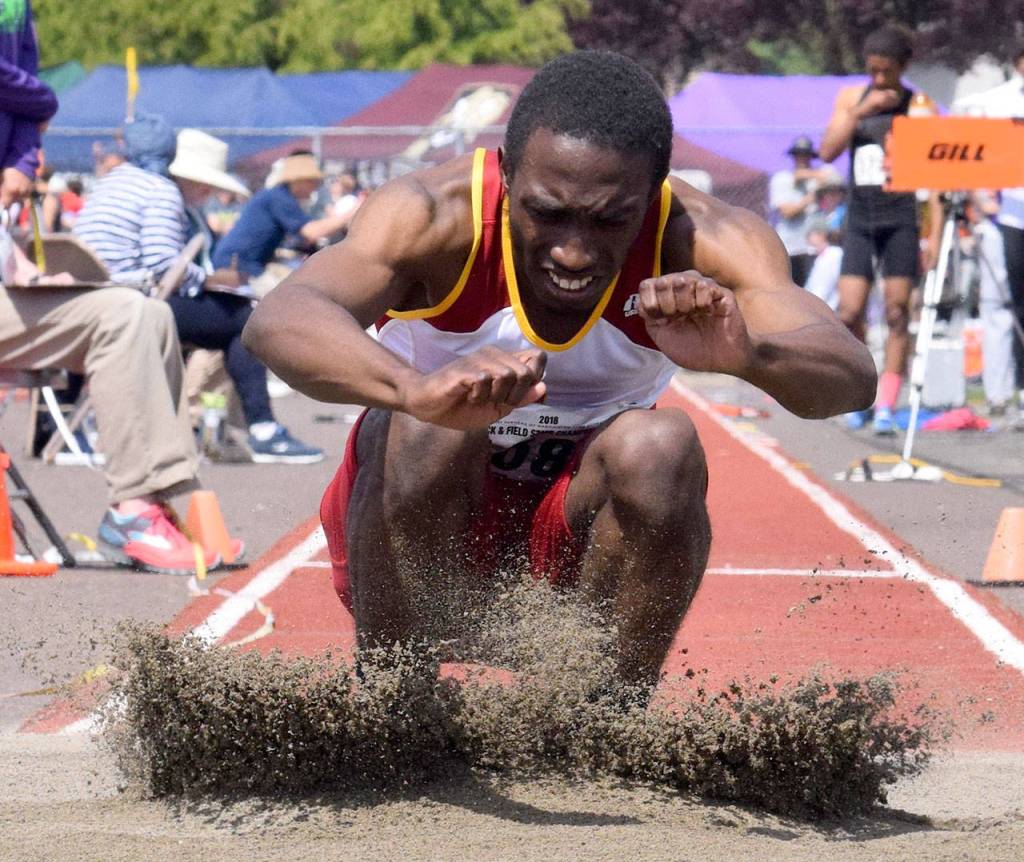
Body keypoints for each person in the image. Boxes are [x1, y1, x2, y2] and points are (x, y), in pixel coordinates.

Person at [243, 51, 874, 693]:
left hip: (579, 537)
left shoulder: (706, 237)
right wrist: (417, 389)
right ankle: (393, 704)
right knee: (427, 428)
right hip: (418, 514)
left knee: (662, 444)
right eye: (546, 212)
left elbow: (852, 376)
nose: (573, 252)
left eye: (610, 220)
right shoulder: (432, 214)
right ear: (508, 172)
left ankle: (595, 719)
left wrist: (751, 355)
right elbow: (280, 319)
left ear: (654, 191)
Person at [0, 3, 223, 574]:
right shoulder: (157, 190)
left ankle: (152, 501)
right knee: (131, 314)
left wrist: (25, 269)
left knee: (147, 313)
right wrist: (40, 102)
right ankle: (138, 508)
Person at [73, 117, 323, 463]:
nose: (208, 194)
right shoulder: (160, 191)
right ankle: (262, 429)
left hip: (91, 301)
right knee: (244, 320)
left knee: (219, 316)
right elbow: (164, 264)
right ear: (183, 174)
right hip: (133, 305)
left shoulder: (110, 183)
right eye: (205, 185)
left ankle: (57, 427)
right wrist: (208, 280)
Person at [820, 25, 922, 435]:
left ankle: (887, 405)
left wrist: (932, 232)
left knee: (897, 312)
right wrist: (860, 113)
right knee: (849, 311)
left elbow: (935, 172)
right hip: (861, 218)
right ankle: (862, 390)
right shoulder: (851, 99)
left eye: (886, 71)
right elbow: (828, 150)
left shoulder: (918, 105)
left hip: (901, 218)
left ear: (903, 67)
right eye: (872, 70)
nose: (878, 79)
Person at [953, 46, 1024, 424]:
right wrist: (980, 198)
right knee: (999, 305)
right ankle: (998, 392)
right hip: (1004, 217)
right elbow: (971, 154)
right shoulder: (994, 103)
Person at [211, 152, 354, 297]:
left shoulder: (277, 196)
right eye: (312, 181)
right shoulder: (279, 198)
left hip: (244, 264)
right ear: (299, 181)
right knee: (289, 299)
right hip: (238, 265)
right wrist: (350, 214)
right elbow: (311, 232)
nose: (315, 187)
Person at [769, 135, 832, 286]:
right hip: (790, 248)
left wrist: (816, 179)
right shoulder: (782, 179)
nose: (803, 158)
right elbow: (787, 212)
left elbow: (832, 177)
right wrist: (810, 198)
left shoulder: (818, 179)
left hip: (813, 248)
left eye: (806, 155)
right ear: (793, 157)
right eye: (799, 155)